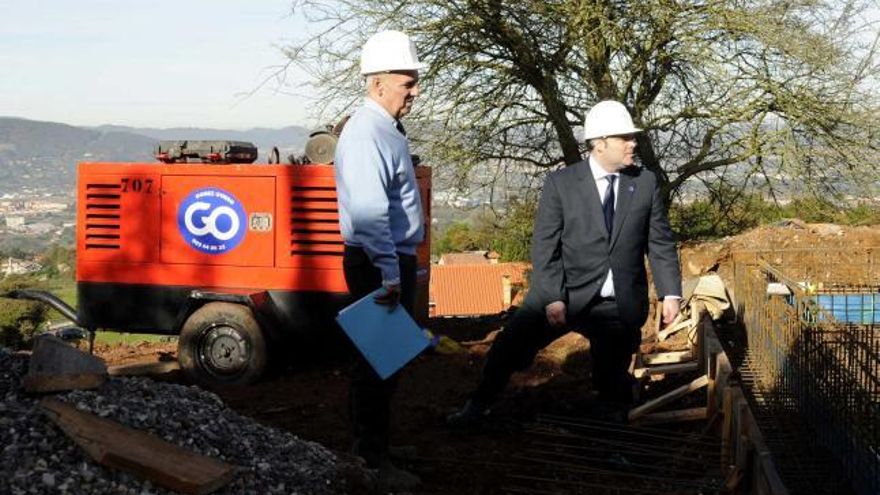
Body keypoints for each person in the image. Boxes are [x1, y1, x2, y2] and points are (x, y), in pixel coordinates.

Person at [447, 100, 682, 425]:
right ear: (600, 144)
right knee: (509, 348)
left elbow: (660, 242)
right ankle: (477, 406)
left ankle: (611, 437)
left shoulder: (644, 183)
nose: (633, 144)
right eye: (625, 138)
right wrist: (552, 296)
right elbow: (545, 246)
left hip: (617, 303)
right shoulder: (562, 184)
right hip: (566, 293)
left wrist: (671, 293)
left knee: (611, 377)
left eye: (633, 137)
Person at [333, 29, 427, 490]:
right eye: (407, 82)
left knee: (385, 360)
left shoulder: (383, 129)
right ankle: (372, 461)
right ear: (378, 84)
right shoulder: (368, 133)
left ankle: (375, 446)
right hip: (378, 263)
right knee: (376, 363)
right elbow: (371, 216)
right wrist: (390, 274)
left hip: (385, 260)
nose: (414, 91)